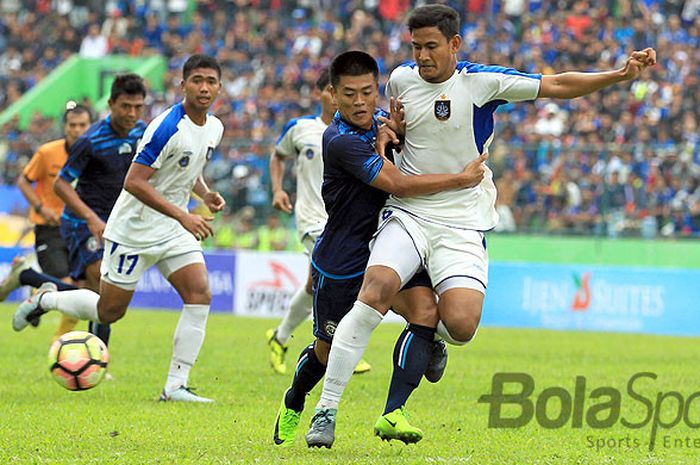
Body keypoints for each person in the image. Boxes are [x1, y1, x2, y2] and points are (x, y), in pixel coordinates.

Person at [308, 4, 658, 447]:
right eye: (416, 47)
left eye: (431, 46)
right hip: (408, 213)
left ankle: (428, 335)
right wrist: (387, 128)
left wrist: (617, 75)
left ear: (454, 44)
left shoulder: (482, 83)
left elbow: (556, 84)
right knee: (374, 290)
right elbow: (392, 126)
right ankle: (327, 411)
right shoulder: (400, 79)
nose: (422, 56)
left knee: (461, 326)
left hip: (462, 224)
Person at [273, 50, 486, 448]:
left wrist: (395, 133)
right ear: (333, 96)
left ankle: (396, 402)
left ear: (378, 91)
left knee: (426, 311)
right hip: (344, 257)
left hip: (393, 240)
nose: (359, 102)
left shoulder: (383, 125)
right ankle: (296, 399)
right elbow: (398, 183)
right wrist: (460, 179)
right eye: (349, 94)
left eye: (367, 92)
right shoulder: (338, 140)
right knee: (327, 348)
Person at [13, 54, 226, 403]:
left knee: (199, 294)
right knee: (109, 311)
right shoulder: (165, 127)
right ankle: (46, 298)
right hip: (133, 229)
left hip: (171, 228)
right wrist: (185, 216)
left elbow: (185, 170)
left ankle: (175, 386)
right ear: (182, 84)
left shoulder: (214, 127)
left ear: (219, 87)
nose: (204, 88)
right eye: (197, 80)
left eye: (211, 81)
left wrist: (205, 193)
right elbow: (135, 182)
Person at [265, 68, 370, 376]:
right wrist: (278, 189)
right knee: (338, 281)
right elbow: (277, 156)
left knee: (314, 284)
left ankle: (280, 337)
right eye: (330, 91)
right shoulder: (300, 128)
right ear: (321, 94)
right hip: (312, 219)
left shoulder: (361, 132)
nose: (336, 98)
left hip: (347, 221)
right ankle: (339, 345)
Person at [0, 103, 91, 342]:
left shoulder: (95, 155)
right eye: (73, 125)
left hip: (80, 230)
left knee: (86, 291)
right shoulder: (48, 153)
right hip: (49, 229)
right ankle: (28, 278)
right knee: (70, 286)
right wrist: (42, 207)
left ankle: (36, 289)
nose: (78, 130)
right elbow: (23, 181)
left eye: (83, 125)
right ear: (65, 127)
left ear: (91, 126)